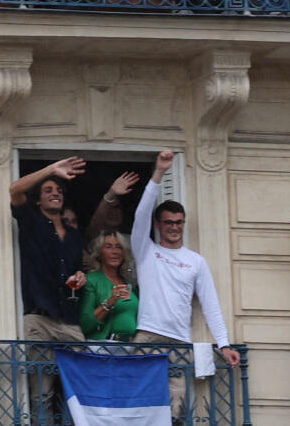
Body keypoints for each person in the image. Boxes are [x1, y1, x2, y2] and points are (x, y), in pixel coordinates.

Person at [126, 150, 240, 366]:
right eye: (168, 222)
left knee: (177, 399)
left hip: (179, 340)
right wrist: (159, 172)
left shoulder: (196, 260)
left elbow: (211, 304)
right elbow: (141, 215)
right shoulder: (145, 251)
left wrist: (224, 344)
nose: (174, 227)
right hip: (148, 334)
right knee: (141, 398)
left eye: (179, 222)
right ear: (158, 225)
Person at [9, 157, 89, 342]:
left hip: (69, 319)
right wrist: (52, 169)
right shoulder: (31, 221)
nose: (56, 193)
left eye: (59, 191)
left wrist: (80, 276)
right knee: (39, 371)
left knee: (78, 370)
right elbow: (14, 190)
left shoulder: (74, 235)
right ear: (38, 200)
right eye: (48, 190)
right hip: (39, 318)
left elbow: (77, 270)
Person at [75, 230, 138, 343]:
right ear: (99, 253)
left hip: (130, 347)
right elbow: (85, 324)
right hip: (103, 346)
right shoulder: (91, 280)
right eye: (108, 246)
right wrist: (110, 302)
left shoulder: (129, 282)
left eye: (119, 247)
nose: (115, 252)